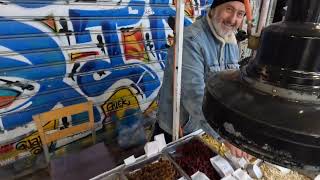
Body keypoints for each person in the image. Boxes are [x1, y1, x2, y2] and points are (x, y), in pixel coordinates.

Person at [156, 0, 251, 158]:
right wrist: (225, 136)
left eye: (240, 14)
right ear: (213, 10)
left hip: (207, 130)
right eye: (229, 9)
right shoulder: (191, 40)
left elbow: (231, 87)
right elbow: (194, 96)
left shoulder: (230, 41)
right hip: (180, 128)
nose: (233, 19)